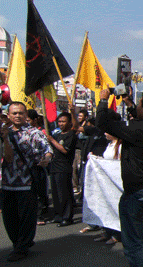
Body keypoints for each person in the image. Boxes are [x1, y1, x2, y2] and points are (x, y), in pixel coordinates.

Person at [96, 89, 143, 267]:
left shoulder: (138, 129)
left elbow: (103, 123)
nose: (137, 107)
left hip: (137, 191)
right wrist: (130, 104)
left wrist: (103, 101)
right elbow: (141, 121)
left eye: (140, 104)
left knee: (133, 243)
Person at [2, 102, 53, 262]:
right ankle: (18, 242)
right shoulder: (5, 133)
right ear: (9, 115)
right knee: (9, 218)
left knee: (26, 217)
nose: (17, 116)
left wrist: (46, 159)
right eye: (14, 113)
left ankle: (21, 247)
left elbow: (48, 150)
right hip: (7, 183)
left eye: (20, 113)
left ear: (26, 115)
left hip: (27, 182)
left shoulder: (34, 133)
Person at [44, 112, 78, 227]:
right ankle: (58, 215)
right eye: (59, 122)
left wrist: (53, 141)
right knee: (55, 194)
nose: (61, 124)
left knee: (64, 193)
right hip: (54, 166)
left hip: (64, 168)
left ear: (69, 123)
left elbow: (64, 150)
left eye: (63, 121)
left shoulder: (71, 135)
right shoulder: (58, 135)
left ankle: (67, 217)